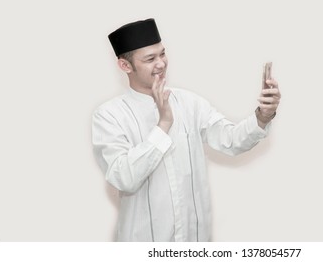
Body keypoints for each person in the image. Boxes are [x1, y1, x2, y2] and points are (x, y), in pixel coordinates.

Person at [92, 18, 281, 242]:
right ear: (125, 66)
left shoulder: (190, 103)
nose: (161, 63)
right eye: (150, 59)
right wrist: (163, 125)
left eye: (162, 54)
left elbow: (231, 140)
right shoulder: (109, 115)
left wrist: (263, 114)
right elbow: (124, 178)